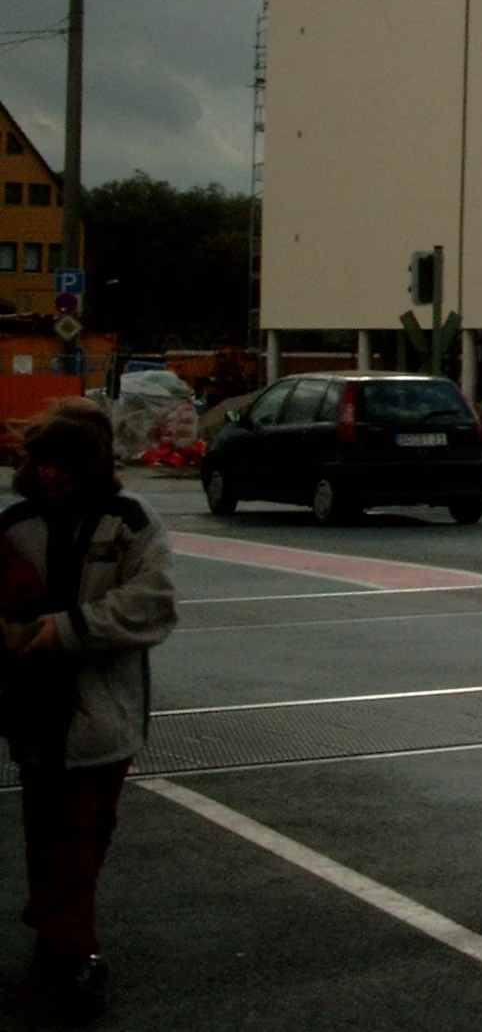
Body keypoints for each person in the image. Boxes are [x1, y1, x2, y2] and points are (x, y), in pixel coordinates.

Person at [0, 398, 176, 1020]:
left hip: (109, 709)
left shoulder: (129, 522)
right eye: (45, 463)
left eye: (67, 465)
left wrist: (67, 629)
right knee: (62, 832)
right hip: (38, 710)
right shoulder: (15, 525)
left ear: (93, 466)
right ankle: (73, 949)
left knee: (91, 831)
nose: (54, 476)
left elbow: (154, 604)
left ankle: (53, 917)